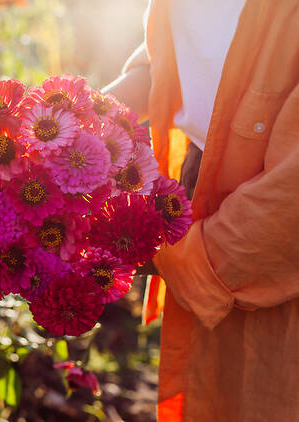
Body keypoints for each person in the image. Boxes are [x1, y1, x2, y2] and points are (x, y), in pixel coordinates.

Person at [104, 1, 299, 421]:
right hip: (210, 196)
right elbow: (193, 47)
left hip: (268, 231)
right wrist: (81, 114)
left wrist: (172, 252)